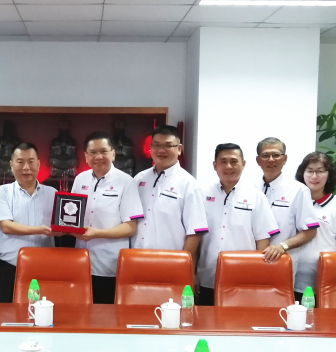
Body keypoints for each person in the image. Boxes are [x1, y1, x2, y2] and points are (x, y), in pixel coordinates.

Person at [197, 143, 279, 306]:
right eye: (223, 161)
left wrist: (257, 278)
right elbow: (196, 237)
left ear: (243, 164)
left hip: (243, 279)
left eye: (234, 161)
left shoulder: (256, 197)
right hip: (206, 277)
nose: (229, 166)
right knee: (206, 320)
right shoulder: (202, 194)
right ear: (215, 165)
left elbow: (262, 241)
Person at [71, 131, 144, 304]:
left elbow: (130, 227)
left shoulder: (126, 182)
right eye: (93, 152)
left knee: (105, 312)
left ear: (113, 153)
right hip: (80, 261)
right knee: (80, 310)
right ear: (86, 156)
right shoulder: (80, 179)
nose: (98, 157)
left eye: (103, 151)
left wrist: (97, 233)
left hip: (110, 264)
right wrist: (67, 228)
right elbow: (72, 216)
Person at [0, 142, 59, 303]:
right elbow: (6, 226)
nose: (26, 167)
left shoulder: (53, 193)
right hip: (11, 268)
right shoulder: (2, 192)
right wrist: (40, 230)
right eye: (20, 162)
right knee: (6, 314)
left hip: (44, 268)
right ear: (11, 164)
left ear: (38, 164)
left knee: (41, 311)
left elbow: (61, 224)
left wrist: (65, 230)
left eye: (31, 161)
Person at [132, 125, 208, 263]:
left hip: (171, 261)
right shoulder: (139, 179)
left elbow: (195, 232)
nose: (161, 150)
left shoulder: (189, 184)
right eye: (156, 145)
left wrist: (183, 263)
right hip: (136, 258)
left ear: (179, 149)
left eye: (168, 146)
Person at [293, 152, 336, 299]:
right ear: (302, 173)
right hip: (292, 280)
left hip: (325, 284)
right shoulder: (293, 203)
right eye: (310, 171)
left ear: (329, 175)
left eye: (320, 171)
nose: (314, 176)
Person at [254, 138, 319, 271]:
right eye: (265, 155)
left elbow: (310, 231)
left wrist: (282, 246)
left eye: (276, 155)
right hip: (250, 260)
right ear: (258, 160)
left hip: (281, 262)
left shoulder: (298, 190)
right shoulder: (249, 188)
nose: (271, 159)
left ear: (285, 159)